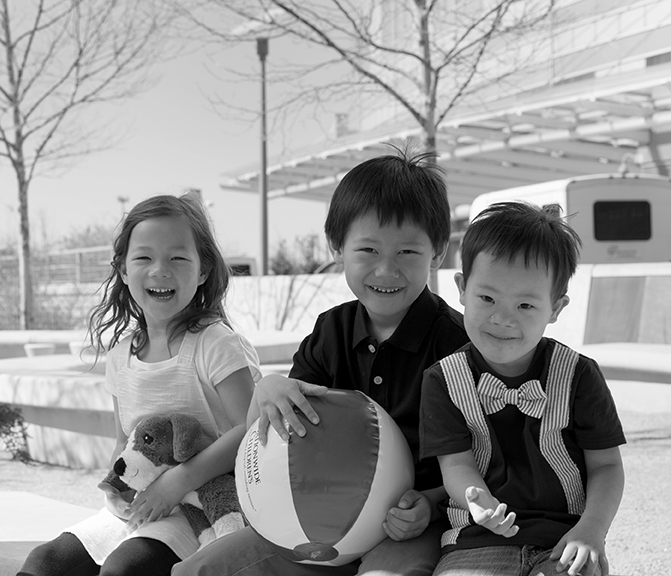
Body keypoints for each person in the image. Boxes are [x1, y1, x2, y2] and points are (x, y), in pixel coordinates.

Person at [173, 149, 471, 576]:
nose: (386, 270)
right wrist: (268, 388)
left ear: (438, 253)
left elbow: (484, 459)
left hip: (411, 526)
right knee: (197, 571)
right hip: (314, 519)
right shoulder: (330, 330)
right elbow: (269, 434)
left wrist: (431, 502)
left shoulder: (457, 344)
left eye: (408, 252)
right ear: (337, 248)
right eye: (368, 250)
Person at [18, 193, 261, 576]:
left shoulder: (216, 344)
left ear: (203, 270)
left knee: (125, 569)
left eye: (178, 258)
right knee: (44, 563)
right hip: (144, 508)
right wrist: (115, 488)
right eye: (144, 257)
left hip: (206, 510)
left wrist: (176, 483)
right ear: (123, 269)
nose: (160, 270)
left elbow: (251, 429)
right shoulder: (120, 356)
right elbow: (124, 440)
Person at [419, 201, 626, 576]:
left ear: (555, 308)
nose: (502, 318)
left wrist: (592, 530)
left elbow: (607, 465)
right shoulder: (443, 379)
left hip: (564, 540)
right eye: (487, 298)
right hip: (476, 541)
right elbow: (456, 464)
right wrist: (477, 501)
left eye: (526, 305)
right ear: (462, 289)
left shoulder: (578, 375)